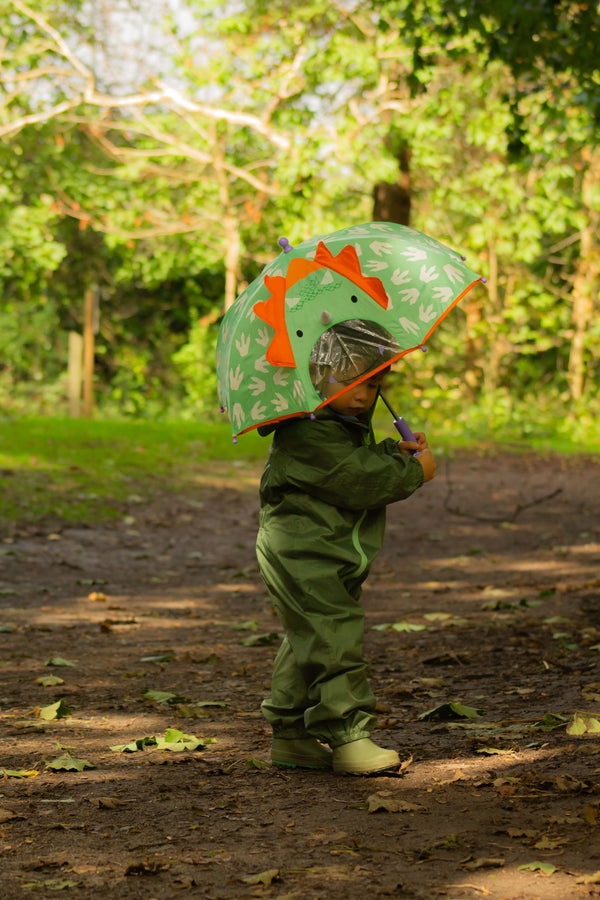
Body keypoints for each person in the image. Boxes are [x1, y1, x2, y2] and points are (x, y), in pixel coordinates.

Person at [255, 320, 436, 775]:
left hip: (329, 551)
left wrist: (397, 450)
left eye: (373, 383)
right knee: (334, 635)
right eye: (350, 381)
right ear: (315, 376)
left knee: (311, 638)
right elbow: (354, 478)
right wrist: (413, 472)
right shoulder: (306, 431)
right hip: (303, 553)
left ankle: (291, 735)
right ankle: (349, 735)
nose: (362, 394)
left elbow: (358, 462)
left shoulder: (341, 424)